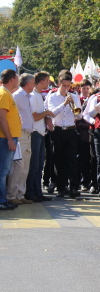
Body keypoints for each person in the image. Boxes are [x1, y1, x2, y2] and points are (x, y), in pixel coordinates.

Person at [47, 73, 82, 198]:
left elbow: (79, 116)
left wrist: (74, 106)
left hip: (71, 130)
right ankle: (61, 187)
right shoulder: (52, 97)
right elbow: (51, 113)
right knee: (59, 160)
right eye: (64, 86)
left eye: (68, 86)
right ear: (59, 84)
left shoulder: (74, 96)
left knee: (72, 160)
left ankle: (74, 188)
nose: (66, 88)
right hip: (58, 130)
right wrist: (64, 104)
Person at [6, 74, 36, 205]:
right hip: (20, 134)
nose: (34, 85)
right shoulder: (17, 96)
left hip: (28, 134)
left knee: (25, 167)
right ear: (28, 83)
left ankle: (20, 194)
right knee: (18, 166)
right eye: (33, 82)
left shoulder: (27, 97)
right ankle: (11, 195)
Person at [26, 72, 53, 202]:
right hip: (35, 132)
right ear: (41, 81)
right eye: (47, 80)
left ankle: (37, 191)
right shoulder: (33, 96)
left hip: (41, 132)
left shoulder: (38, 95)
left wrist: (46, 117)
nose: (48, 83)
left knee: (39, 164)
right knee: (34, 165)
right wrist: (46, 113)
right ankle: (31, 191)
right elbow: (34, 116)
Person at [0, 69, 22, 210]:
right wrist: (9, 139)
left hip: (8, 138)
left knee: (4, 171)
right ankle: (1, 200)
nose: (18, 80)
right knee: (3, 171)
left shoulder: (7, 94)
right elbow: (2, 118)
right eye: (17, 77)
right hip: (4, 139)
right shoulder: (3, 94)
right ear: (12, 79)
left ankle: (2, 199)